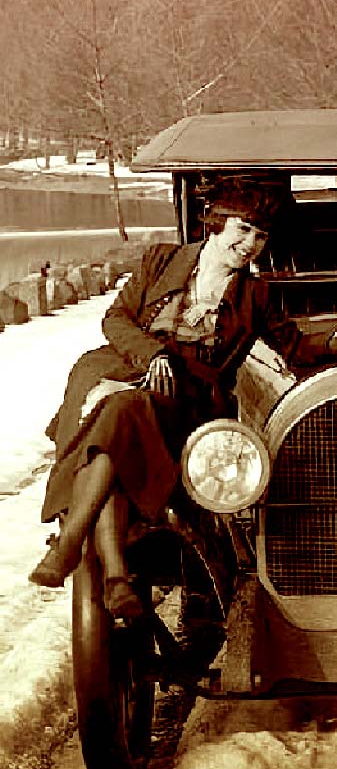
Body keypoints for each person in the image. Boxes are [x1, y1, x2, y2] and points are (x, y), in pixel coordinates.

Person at [29, 178, 302, 619]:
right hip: (121, 376)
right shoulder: (161, 261)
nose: (250, 243)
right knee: (115, 432)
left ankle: (69, 545)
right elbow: (116, 319)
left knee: (117, 419)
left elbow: (294, 346)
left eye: (261, 235)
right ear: (215, 225)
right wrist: (152, 353)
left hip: (186, 408)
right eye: (243, 229)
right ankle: (116, 578)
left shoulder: (255, 294)